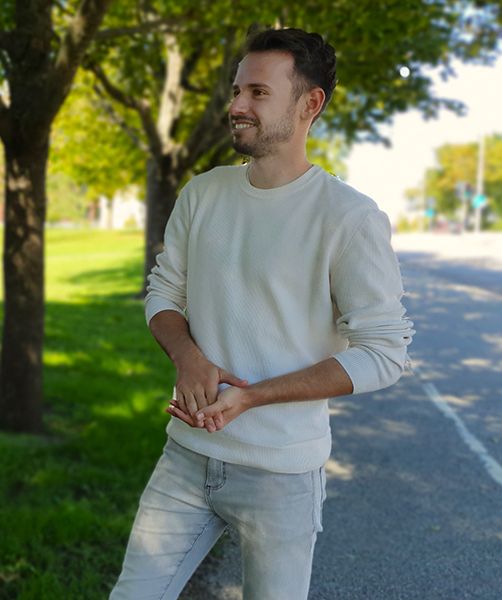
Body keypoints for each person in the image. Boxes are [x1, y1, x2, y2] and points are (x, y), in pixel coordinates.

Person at [109, 29, 414, 600]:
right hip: (186, 456)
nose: (236, 106)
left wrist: (252, 396)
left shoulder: (349, 218)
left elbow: (384, 353)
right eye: (236, 90)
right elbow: (163, 293)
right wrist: (188, 357)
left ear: (310, 105)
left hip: (282, 475)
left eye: (257, 92)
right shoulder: (202, 195)